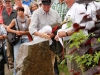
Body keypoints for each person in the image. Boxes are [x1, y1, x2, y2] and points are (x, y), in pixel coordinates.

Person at [55, 0, 100, 75]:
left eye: (66, 1)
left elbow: (79, 27)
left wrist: (65, 33)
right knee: (74, 68)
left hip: (76, 42)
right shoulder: (72, 8)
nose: (65, 3)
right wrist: (60, 33)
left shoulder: (78, 8)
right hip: (71, 42)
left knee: (74, 69)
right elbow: (69, 24)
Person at [29, 0, 62, 75]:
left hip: (52, 41)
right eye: (45, 5)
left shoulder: (55, 13)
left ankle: (55, 72)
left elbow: (60, 26)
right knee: (41, 61)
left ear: (51, 4)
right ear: (41, 4)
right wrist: (42, 35)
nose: (47, 7)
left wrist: (52, 35)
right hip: (39, 41)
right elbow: (31, 29)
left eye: (48, 5)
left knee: (53, 60)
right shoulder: (36, 13)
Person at [7, 7, 31, 75]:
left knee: (26, 56)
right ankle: (15, 73)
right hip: (17, 39)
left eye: (20, 11)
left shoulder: (28, 20)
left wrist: (23, 32)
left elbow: (30, 31)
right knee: (16, 56)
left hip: (26, 38)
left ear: (23, 12)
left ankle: (26, 71)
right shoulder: (15, 20)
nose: (19, 12)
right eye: (18, 11)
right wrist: (15, 31)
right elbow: (8, 29)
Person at [2, 0, 17, 69]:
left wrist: (10, 28)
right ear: (5, 4)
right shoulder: (3, 13)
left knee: (15, 47)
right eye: (6, 3)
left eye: (9, 3)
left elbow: (17, 21)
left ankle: (16, 61)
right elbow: (2, 23)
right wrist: (7, 27)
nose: (8, 4)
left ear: (11, 3)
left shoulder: (15, 11)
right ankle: (11, 63)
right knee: (9, 48)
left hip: (15, 32)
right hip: (7, 33)